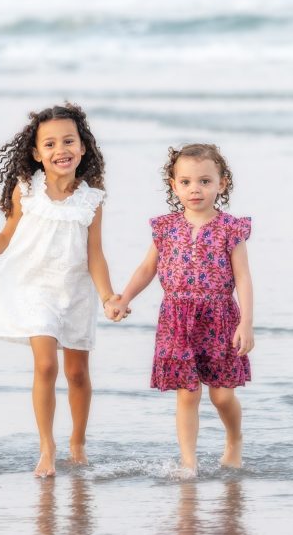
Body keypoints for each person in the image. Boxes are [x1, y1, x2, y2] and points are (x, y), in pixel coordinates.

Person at [0, 103, 119, 477]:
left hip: (74, 289)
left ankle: (77, 442)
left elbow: (95, 255)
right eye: (50, 144)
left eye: (68, 141)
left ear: (83, 147)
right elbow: (7, 237)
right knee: (46, 364)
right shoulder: (26, 190)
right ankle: (47, 447)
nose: (61, 149)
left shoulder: (92, 198)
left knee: (77, 373)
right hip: (32, 285)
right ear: (36, 153)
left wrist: (108, 296)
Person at [108, 144, 254, 477]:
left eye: (205, 181)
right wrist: (125, 297)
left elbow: (244, 278)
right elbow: (147, 268)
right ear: (174, 186)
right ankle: (189, 463)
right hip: (176, 318)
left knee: (221, 396)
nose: (195, 189)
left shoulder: (232, 229)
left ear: (222, 183)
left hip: (219, 317)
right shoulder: (165, 228)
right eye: (186, 182)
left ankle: (234, 439)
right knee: (187, 393)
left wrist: (246, 322)